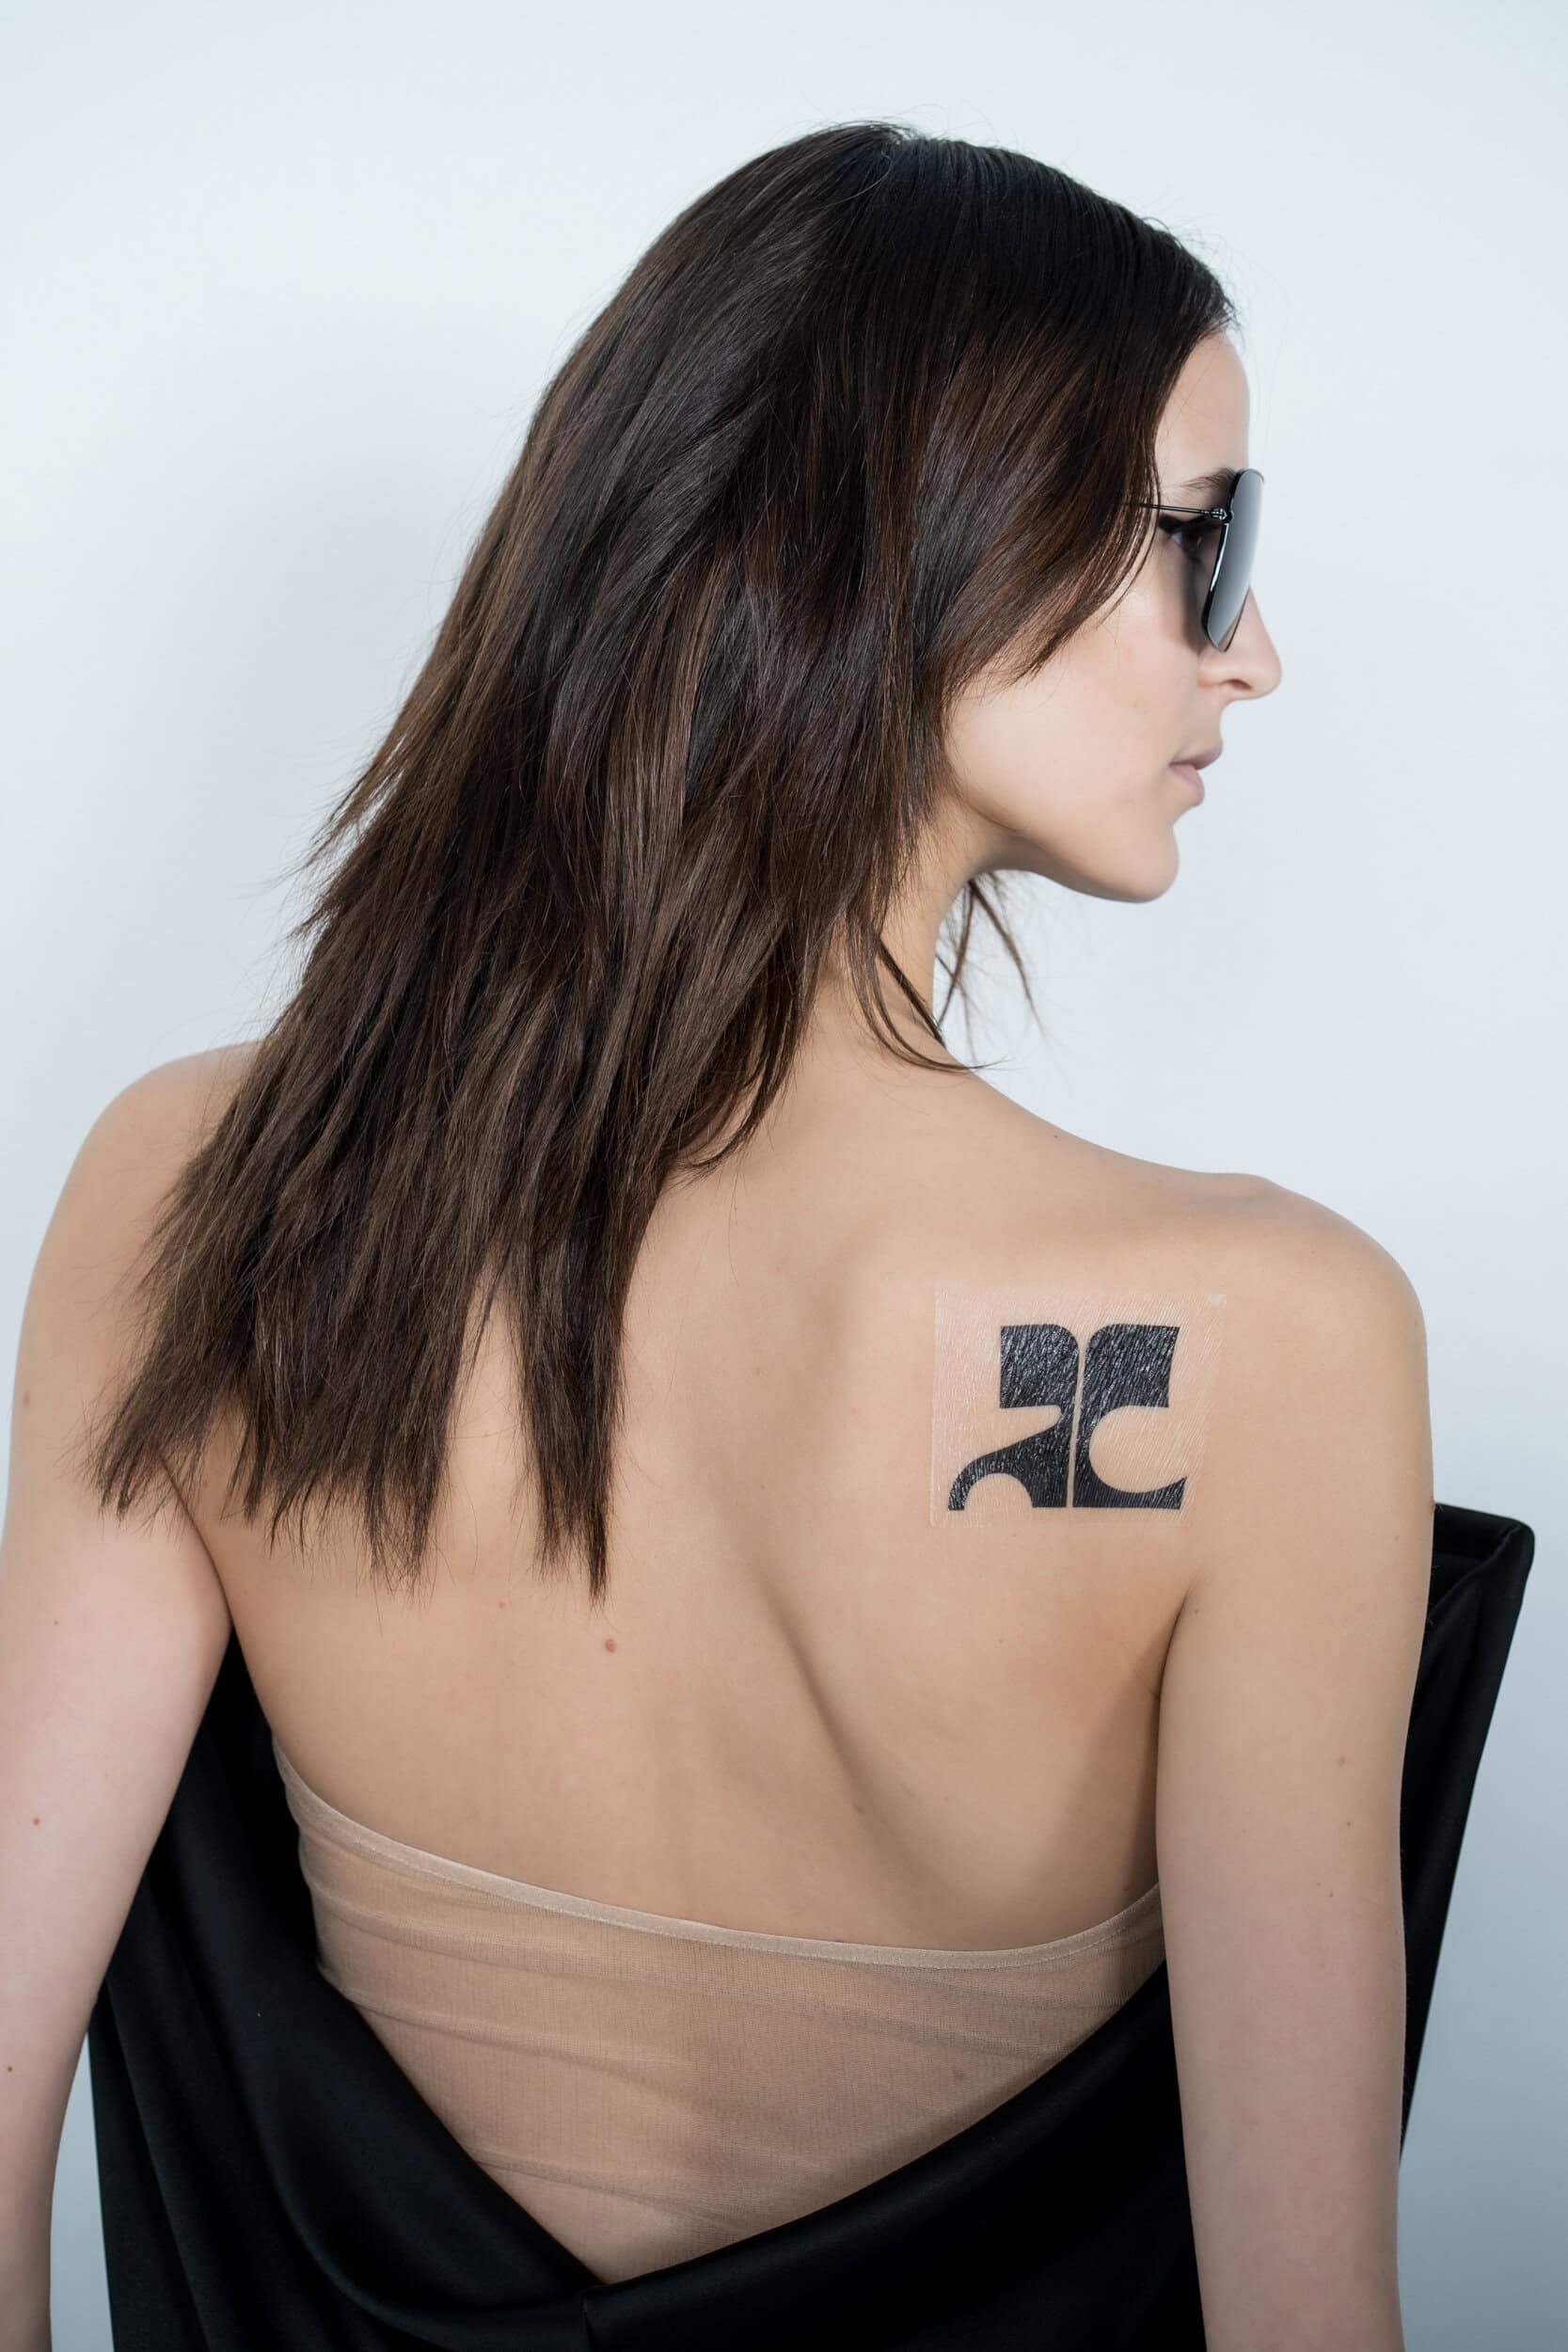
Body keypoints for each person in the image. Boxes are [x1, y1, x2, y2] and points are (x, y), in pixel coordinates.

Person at [0, 120, 1505, 2352]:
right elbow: (1305, 2318)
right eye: (1209, 539)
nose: (1252, 651)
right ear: (930, 541)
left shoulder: (205, 1184)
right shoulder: (1262, 1339)